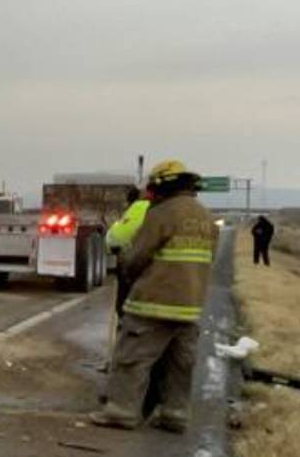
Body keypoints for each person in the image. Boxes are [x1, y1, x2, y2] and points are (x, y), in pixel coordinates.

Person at [91, 159, 218, 433]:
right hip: (190, 306)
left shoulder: (161, 214)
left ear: (161, 185)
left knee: (132, 358)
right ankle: (174, 414)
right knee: (178, 365)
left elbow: (137, 256)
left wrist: (124, 265)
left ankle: (121, 411)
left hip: (153, 303)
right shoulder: (207, 218)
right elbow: (211, 260)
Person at [106, 187, 151, 317]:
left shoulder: (138, 208)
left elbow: (116, 237)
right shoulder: (166, 209)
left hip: (135, 265)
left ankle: (123, 319)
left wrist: (112, 247)